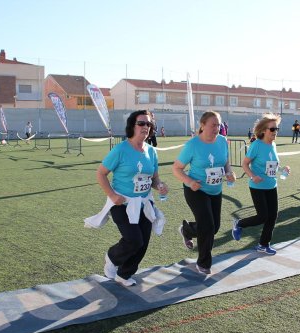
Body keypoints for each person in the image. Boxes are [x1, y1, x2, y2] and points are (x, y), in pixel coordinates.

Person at [92, 110, 168, 287]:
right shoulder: (120, 150)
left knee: (143, 243)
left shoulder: (151, 152)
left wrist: (160, 186)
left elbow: (154, 178)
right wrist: (112, 195)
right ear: (132, 126)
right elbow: (101, 173)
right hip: (122, 203)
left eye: (149, 124)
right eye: (141, 123)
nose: (146, 127)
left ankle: (124, 274)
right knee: (134, 240)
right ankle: (112, 256)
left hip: (144, 203)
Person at [172, 111, 236, 275]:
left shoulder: (222, 141)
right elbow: (177, 168)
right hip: (196, 189)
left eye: (219, 124)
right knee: (207, 225)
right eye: (213, 125)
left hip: (216, 190)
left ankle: (187, 230)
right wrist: (190, 182)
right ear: (202, 125)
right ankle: (203, 263)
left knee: (214, 227)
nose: (217, 128)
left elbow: (226, 162)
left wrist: (229, 173)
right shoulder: (193, 145)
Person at [231, 113, 288, 255]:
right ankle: (239, 224)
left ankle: (263, 244)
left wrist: (283, 169)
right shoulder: (256, 145)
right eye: (272, 129)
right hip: (257, 186)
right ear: (263, 131)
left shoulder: (273, 145)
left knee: (272, 216)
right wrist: (252, 176)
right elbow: (244, 164)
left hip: (271, 185)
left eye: (277, 129)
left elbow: (273, 165)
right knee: (262, 216)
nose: (276, 132)